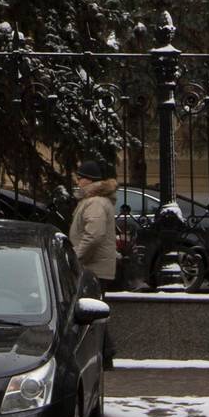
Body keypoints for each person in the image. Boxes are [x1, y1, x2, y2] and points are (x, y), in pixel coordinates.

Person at [68, 157, 120, 366]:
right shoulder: (95, 201)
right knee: (94, 311)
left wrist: (77, 257)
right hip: (97, 267)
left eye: (79, 178)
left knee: (92, 312)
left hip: (93, 267)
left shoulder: (95, 202)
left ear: (88, 181)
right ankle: (105, 353)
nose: (77, 182)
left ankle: (106, 354)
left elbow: (94, 235)